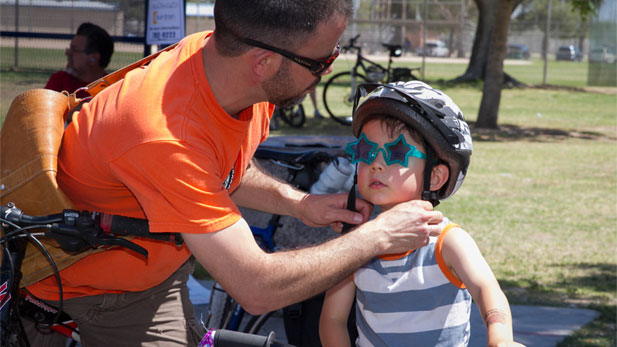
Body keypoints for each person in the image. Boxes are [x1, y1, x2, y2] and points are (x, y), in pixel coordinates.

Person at [23, 1, 445, 346]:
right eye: (322, 59)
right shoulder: (164, 136)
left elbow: (224, 170)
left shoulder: (226, 67)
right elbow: (256, 288)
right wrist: (378, 235)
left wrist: (299, 203)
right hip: (83, 285)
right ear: (263, 62)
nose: (329, 69)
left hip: (149, 266)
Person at [319, 81, 524, 347]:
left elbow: (487, 290)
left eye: (397, 153)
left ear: (436, 176)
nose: (376, 164)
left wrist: (500, 339)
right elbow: (332, 320)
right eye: (366, 151)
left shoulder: (446, 242)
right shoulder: (356, 244)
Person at [44, 22, 114, 98]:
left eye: (74, 50)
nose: (67, 53)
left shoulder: (112, 88)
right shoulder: (59, 80)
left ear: (93, 59)